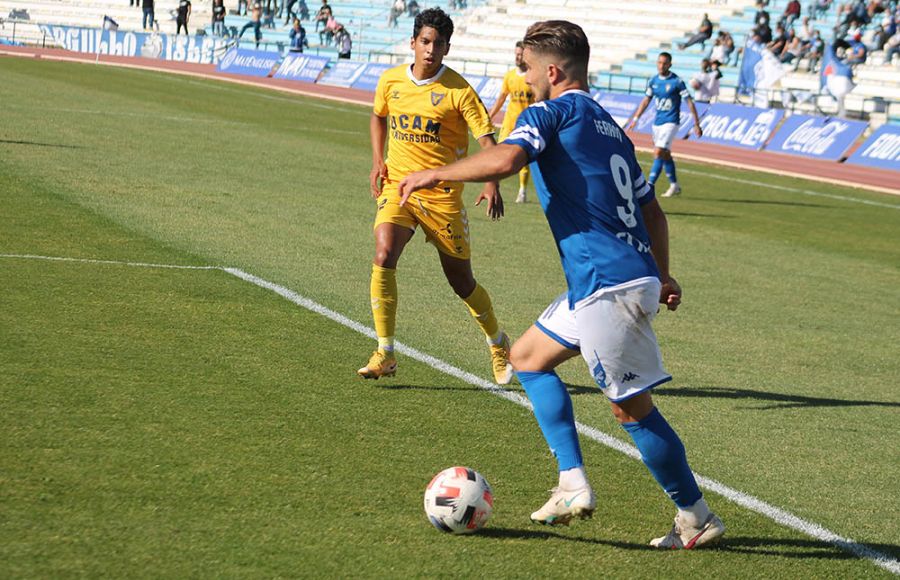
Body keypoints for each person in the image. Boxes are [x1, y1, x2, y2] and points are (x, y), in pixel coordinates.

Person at [397, 20, 726, 549]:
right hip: (621, 274)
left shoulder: (550, 111)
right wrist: (661, 274)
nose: (523, 80)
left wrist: (434, 174)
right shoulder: (610, 127)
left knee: (629, 407)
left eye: (527, 70)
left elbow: (507, 158)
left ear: (552, 71)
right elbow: (654, 213)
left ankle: (696, 514)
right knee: (527, 357)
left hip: (606, 282)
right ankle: (572, 483)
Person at [358, 7, 512, 385]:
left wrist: (491, 182)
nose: (430, 50)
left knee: (462, 283)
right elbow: (379, 116)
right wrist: (379, 161)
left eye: (438, 44)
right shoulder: (391, 81)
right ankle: (385, 352)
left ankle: (498, 342)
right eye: (425, 42)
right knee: (383, 254)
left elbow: (488, 142)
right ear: (413, 43)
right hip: (399, 187)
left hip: (442, 198)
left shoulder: (458, 90)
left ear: (447, 48)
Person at [627, 52, 702, 198]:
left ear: (670, 64)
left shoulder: (677, 82)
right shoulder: (654, 81)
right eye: (659, 62)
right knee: (665, 154)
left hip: (671, 122)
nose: (661, 65)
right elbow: (646, 101)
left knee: (658, 152)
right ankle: (674, 185)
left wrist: (696, 123)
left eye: (664, 63)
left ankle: (649, 186)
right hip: (657, 123)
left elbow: (689, 102)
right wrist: (636, 118)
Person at [487, 41, 534, 203]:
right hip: (509, 122)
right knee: (498, 152)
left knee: (524, 157)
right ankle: (494, 184)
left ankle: (522, 190)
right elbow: (501, 98)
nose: (517, 57)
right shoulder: (509, 76)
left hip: (525, 123)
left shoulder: (531, 78)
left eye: (520, 54)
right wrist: (489, 116)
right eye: (516, 54)